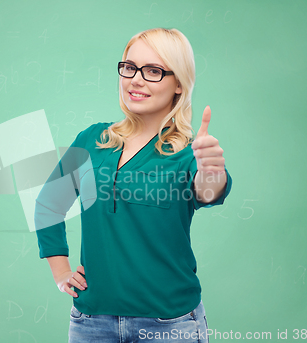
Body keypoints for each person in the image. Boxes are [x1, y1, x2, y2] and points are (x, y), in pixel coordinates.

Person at [34, 27, 232, 343]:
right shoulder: (92, 140)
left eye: (153, 71)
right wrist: (60, 272)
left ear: (178, 83)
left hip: (170, 324)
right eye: (129, 67)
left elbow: (208, 191)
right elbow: (49, 203)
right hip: (90, 323)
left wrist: (212, 170)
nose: (136, 79)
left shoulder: (186, 153)